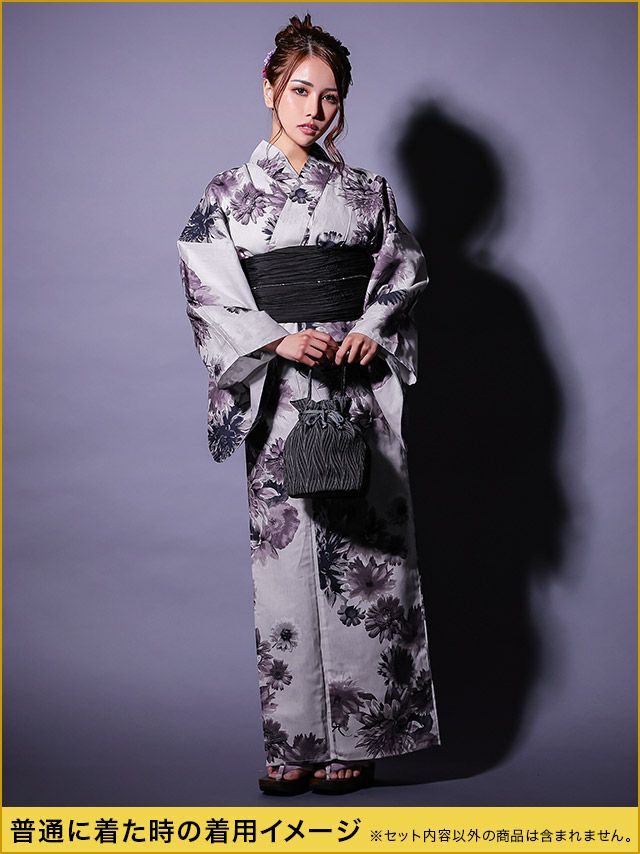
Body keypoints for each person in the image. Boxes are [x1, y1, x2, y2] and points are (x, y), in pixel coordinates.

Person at [176, 13, 441, 796]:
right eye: (299, 91)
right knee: (287, 567)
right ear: (269, 88)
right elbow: (207, 288)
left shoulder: (367, 193)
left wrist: (369, 330)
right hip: (282, 396)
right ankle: (294, 738)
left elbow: (403, 273)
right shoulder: (227, 195)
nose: (314, 110)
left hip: (356, 392)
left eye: (329, 98)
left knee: (366, 563)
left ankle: (359, 737)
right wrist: (276, 340)